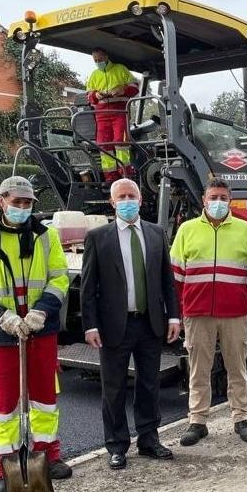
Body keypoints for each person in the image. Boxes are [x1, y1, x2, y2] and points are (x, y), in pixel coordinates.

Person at [0, 176, 72, 492]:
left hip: (40, 329)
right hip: (2, 333)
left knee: (44, 399)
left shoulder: (46, 237)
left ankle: (48, 456)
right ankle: (0, 467)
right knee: (3, 402)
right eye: (16, 202)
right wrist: (3, 317)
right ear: (2, 200)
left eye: (27, 203)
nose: (22, 208)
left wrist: (40, 312)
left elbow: (59, 278)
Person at [81, 179, 181, 470]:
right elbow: (89, 287)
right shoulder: (98, 238)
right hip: (114, 325)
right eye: (121, 197)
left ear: (140, 199)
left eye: (131, 195)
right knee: (113, 388)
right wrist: (90, 325)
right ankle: (116, 445)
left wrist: (173, 316)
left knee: (149, 384)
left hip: (149, 324)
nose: (127, 200)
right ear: (112, 203)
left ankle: (149, 439)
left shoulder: (156, 233)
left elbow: (167, 280)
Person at [171, 179, 247, 446]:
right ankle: (197, 421)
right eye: (213, 197)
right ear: (203, 199)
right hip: (197, 313)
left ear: (230, 200)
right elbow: (175, 276)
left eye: (223, 197)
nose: (218, 202)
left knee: (237, 367)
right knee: (198, 370)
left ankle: (241, 418)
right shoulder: (186, 230)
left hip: (235, 312)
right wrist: (178, 313)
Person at [86, 47, 139, 183]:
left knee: (120, 142)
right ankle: (110, 178)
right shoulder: (94, 75)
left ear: (107, 57)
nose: (98, 62)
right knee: (104, 145)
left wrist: (122, 90)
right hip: (101, 115)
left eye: (100, 59)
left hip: (120, 112)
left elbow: (135, 88)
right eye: (95, 60)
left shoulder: (120, 69)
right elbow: (89, 95)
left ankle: (126, 174)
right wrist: (96, 95)